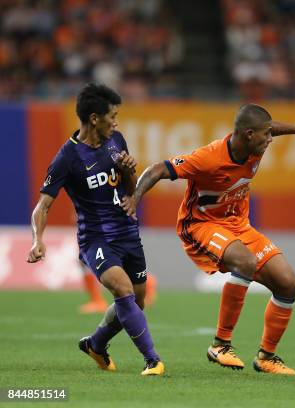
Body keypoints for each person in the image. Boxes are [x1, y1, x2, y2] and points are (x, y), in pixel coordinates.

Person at [122, 104, 295, 375]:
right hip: (202, 225)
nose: (270, 139)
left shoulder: (255, 142)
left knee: (289, 284)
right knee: (245, 263)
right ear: (249, 134)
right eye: (266, 135)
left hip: (238, 225)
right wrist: (134, 198)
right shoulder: (209, 158)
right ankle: (221, 344)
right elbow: (158, 169)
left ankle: (266, 357)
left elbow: (270, 126)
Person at [27, 83, 164, 376]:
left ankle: (96, 344)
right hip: (96, 239)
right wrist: (37, 240)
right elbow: (43, 206)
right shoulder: (67, 158)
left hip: (128, 233)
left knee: (136, 303)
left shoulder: (116, 140)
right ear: (93, 118)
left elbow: (128, 188)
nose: (116, 122)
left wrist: (130, 173)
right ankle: (153, 360)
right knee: (123, 290)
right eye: (112, 116)